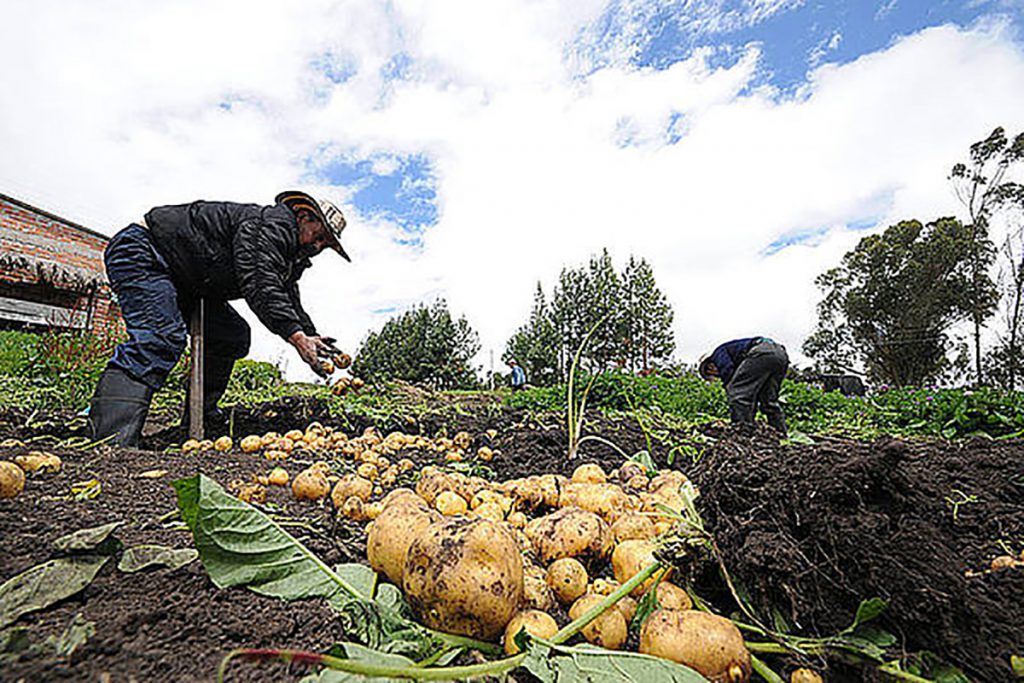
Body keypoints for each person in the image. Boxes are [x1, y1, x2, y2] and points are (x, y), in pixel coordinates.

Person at [88, 191, 350, 446]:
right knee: (160, 338)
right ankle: (111, 439)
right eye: (320, 235)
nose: (318, 246)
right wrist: (296, 337)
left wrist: (308, 333)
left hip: (187, 279)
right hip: (146, 252)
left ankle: (201, 419)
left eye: (326, 244)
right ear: (303, 216)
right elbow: (261, 282)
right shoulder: (270, 225)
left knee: (231, 336)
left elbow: (288, 296)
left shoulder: (291, 256)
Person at [698, 336, 788, 435]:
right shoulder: (737, 357)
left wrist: (729, 387)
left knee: (737, 393)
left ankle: (742, 434)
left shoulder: (717, 354)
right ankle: (781, 434)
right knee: (768, 400)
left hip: (761, 352)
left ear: (710, 367)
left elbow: (728, 371)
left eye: (713, 374)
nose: (717, 376)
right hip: (780, 354)